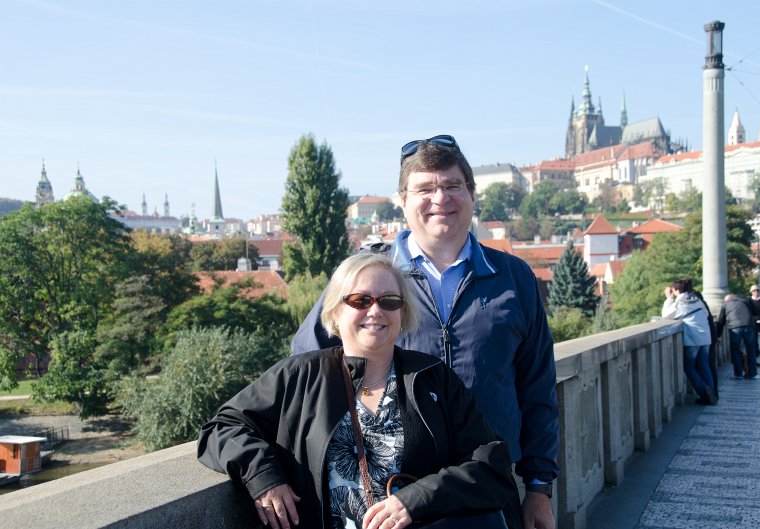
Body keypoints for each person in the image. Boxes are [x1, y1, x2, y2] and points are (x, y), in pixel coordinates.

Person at [292, 135, 559, 529]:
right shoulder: (368, 274)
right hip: (392, 496)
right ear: (402, 200)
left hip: (487, 488)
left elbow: (538, 387)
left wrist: (539, 488)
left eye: (452, 185)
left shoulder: (513, 277)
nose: (440, 199)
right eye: (425, 188)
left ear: (472, 193)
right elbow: (306, 365)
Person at [198, 253, 516, 529]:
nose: (375, 311)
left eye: (389, 301)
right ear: (336, 311)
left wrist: (416, 499)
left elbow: (490, 465)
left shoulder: (432, 379)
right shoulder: (298, 376)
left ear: (402, 314)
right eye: (360, 300)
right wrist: (263, 476)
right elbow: (222, 428)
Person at [661, 278, 717, 405]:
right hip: (706, 337)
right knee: (704, 365)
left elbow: (666, 315)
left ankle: (704, 391)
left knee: (689, 367)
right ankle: (711, 393)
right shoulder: (697, 300)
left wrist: (669, 298)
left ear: (676, 290)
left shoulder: (681, 303)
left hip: (693, 339)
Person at [716, 293, 759, 380]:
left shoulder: (725, 304)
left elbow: (720, 320)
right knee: (751, 350)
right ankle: (753, 374)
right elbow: (756, 311)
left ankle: (738, 374)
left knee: (735, 351)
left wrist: (717, 335)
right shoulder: (746, 300)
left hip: (734, 328)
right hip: (748, 326)